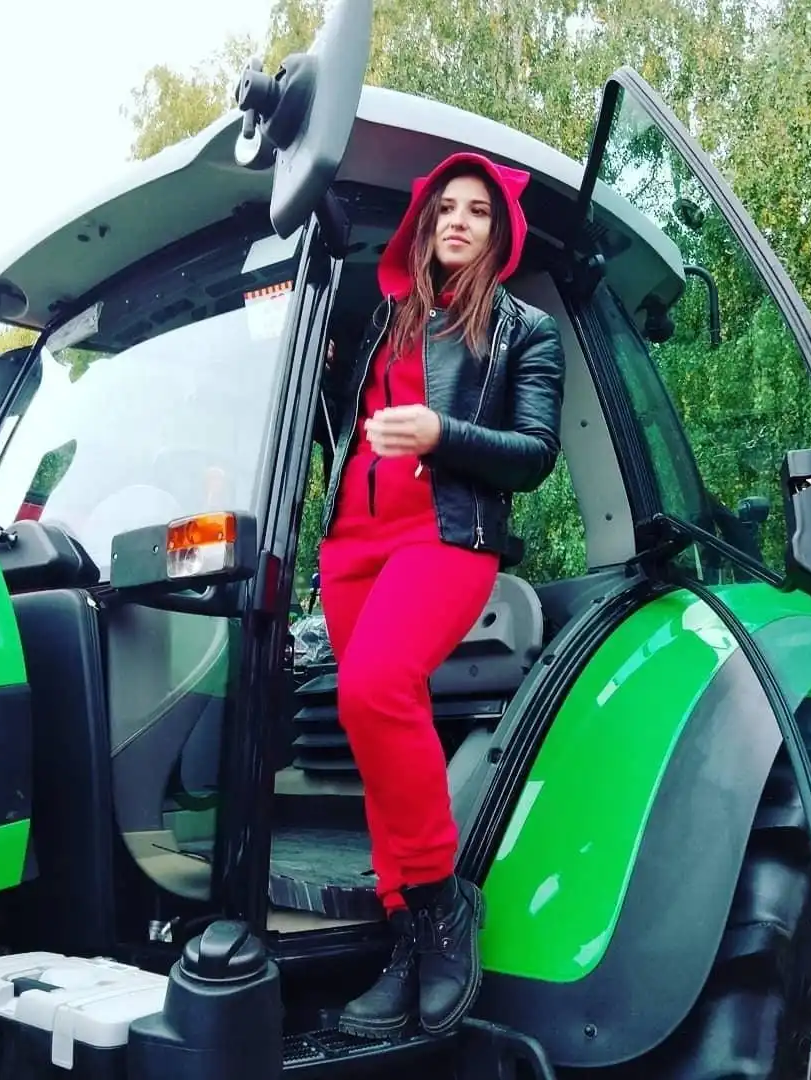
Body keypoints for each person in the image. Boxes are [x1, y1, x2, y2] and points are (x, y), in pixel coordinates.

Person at [316, 152, 566, 1039]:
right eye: (446, 208)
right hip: (351, 547)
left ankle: (440, 902)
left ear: (500, 233)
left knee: (374, 687)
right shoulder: (384, 319)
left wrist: (440, 432)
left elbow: (534, 454)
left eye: (478, 211)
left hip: (445, 537)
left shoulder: (524, 329)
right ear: (424, 226)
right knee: (378, 730)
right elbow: (344, 427)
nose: (458, 221)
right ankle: (407, 937)